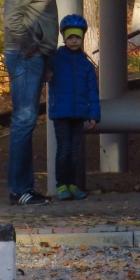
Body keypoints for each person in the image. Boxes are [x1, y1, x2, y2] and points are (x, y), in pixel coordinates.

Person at [3, 0, 62, 206]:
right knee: (24, 122)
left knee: (25, 122)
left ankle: (22, 188)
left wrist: (45, 58)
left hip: (33, 57)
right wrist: (33, 50)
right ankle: (20, 190)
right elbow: (13, 20)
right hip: (25, 56)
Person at [47, 14, 100, 201]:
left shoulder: (86, 64)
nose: (74, 40)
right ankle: (61, 184)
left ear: (83, 38)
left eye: (77, 37)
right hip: (61, 113)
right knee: (64, 149)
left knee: (74, 151)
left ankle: (72, 184)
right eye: (70, 37)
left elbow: (93, 91)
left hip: (79, 114)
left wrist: (94, 114)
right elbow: (44, 69)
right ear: (64, 37)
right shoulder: (55, 59)